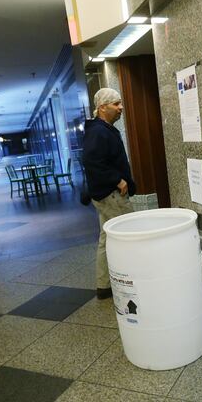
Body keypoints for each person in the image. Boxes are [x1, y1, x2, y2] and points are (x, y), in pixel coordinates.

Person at [83, 88, 136, 299]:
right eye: (116, 104)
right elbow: (91, 161)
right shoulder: (98, 131)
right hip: (111, 195)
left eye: (120, 103)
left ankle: (104, 285)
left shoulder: (102, 129)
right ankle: (131, 280)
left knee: (106, 238)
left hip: (104, 195)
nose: (121, 108)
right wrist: (118, 180)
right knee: (127, 235)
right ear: (102, 107)